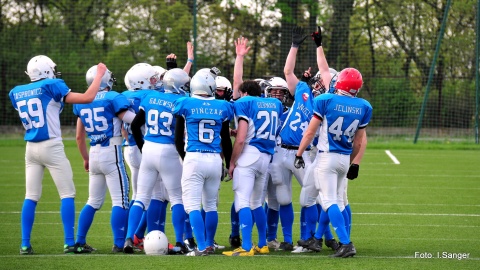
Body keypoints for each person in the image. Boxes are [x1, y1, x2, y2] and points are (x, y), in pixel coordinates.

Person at [9, 55, 107, 255]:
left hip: (30, 148)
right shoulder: (52, 85)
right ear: (46, 71)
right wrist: (99, 75)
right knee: (67, 194)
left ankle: (25, 245)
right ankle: (69, 243)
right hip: (51, 145)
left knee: (31, 196)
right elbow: (87, 98)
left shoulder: (16, 92)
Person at [293, 64, 373, 257]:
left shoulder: (325, 100)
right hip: (344, 158)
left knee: (329, 201)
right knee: (332, 199)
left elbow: (310, 131)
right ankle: (317, 238)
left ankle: (346, 243)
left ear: (340, 83)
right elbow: (359, 141)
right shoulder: (364, 106)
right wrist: (351, 161)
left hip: (326, 157)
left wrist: (299, 154)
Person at [73, 64, 135, 253]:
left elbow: (78, 136)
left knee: (93, 201)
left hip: (94, 152)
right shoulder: (113, 97)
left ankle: (79, 241)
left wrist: (85, 158)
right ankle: (118, 243)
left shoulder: (82, 100)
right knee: (121, 201)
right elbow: (131, 119)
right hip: (112, 151)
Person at [173, 69, 233, 256]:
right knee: (211, 205)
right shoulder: (223, 106)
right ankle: (208, 243)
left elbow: (177, 139)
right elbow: (225, 140)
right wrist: (229, 163)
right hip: (215, 159)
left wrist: (185, 158)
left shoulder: (185, 103)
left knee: (191, 205)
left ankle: (200, 246)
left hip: (194, 156)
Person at [222, 77, 283, 257]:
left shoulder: (245, 102)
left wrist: (232, 162)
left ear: (245, 93)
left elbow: (241, 139)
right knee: (257, 202)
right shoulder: (274, 104)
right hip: (265, 157)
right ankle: (262, 244)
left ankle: (247, 246)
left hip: (249, 155)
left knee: (242, 201)